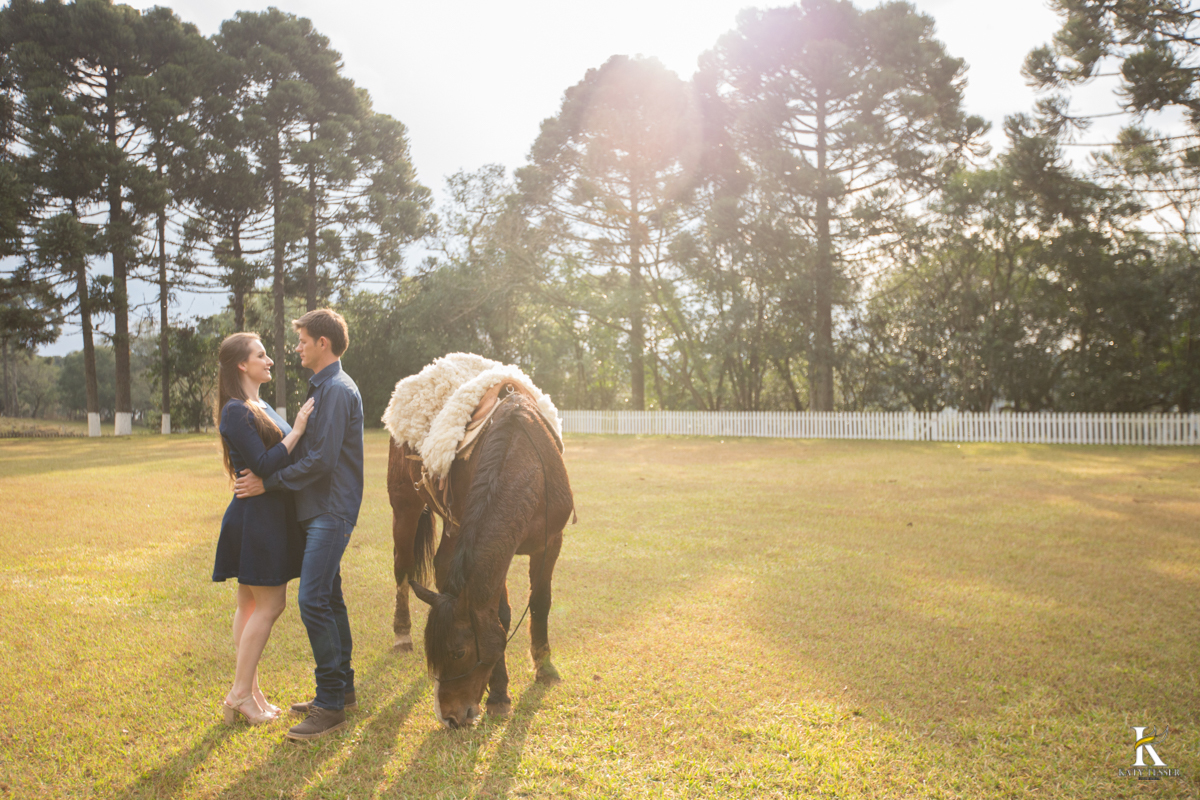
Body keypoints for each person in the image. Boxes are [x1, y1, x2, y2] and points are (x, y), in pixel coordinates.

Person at [235, 308, 364, 741]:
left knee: (312, 601)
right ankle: (340, 690)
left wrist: (268, 484)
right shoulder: (323, 388)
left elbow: (321, 461)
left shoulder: (338, 390)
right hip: (316, 510)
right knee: (329, 597)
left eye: (303, 341)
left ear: (322, 344)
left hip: (330, 509)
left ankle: (329, 704)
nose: (297, 348)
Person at [214, 332, 315, 725]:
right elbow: (265, 462)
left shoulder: (261, 405)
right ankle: (240, 693)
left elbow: (274, 464)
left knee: (249, 605)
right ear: (242, 364)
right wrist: (299, 428)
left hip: (265, 513)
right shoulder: (235, 411)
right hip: (255, 519)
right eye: (261, 354)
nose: (269, 359)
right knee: (271, 604)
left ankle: (251, 692)